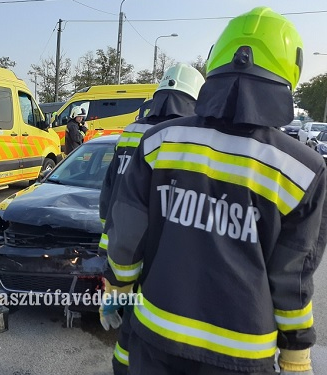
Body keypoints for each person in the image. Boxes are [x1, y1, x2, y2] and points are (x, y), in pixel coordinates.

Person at [104, 6, 326, 375]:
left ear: (216, 60)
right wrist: (296, 352)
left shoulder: (160, 142)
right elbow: (293, 275)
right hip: (241, 353)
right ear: (291, 70)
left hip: (156, 334)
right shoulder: (302, 170)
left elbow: (127, 232)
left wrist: (117, 286)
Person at [98, 62, 205, 375]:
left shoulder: (132, 130)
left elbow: (108, 192)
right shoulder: (187, 137)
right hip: (159, 255)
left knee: (128, 329)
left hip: (117, 247)